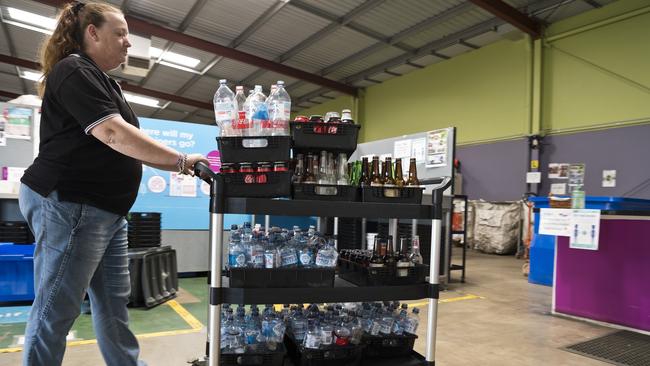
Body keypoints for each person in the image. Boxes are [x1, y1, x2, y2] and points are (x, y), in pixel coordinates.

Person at [18, 2, 209, 365]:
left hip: (105, 212)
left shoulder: (103, 81)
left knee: (112, 305)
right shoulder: (73, 69)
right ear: (92, 32)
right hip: (72, 204)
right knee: (56, 307)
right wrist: (182, 161)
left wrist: (179, 164)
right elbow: (111, 132)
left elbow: (126, 143)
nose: (128, 43)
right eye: (120, 33)